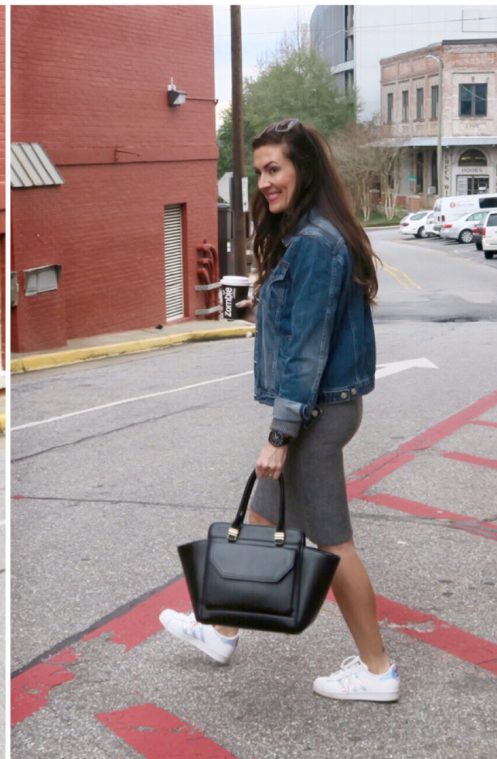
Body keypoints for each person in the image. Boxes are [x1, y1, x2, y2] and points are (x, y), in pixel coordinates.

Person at [160, 118, 399, 702]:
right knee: (262, 518)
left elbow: (307, 350)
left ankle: (376, 670)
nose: (264, 182)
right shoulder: (312, 235)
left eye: (275, 170)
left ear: (303, 170)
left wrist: (280, 434)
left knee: (333, 542)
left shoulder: (316, 245)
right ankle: (220, 629)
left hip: (315, 411)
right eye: (259, 171)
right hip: (322, 406)